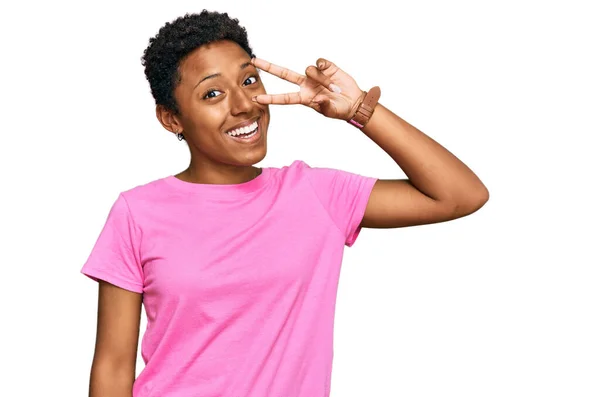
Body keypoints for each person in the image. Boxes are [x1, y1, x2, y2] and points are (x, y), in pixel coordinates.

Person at [80, 9, 489, 397]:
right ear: (172, 119)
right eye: (213, 93)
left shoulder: (314, 194)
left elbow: (460, 195)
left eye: (250, 81)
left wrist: (360, 110)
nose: (243, 105)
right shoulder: (138, 212)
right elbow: (114, 365)